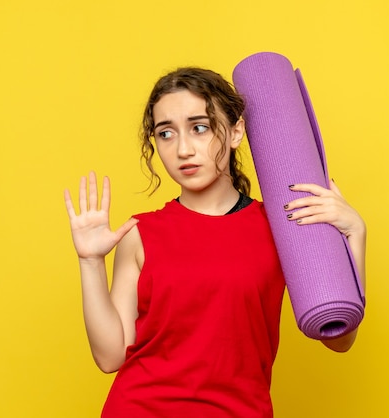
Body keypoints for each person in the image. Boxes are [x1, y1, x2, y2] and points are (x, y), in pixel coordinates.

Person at [64, 67, 366, 417]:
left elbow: (339, 337)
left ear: (237, 131)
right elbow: (110, 356)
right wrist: (89, 262)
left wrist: (355, 235)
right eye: (166, 133)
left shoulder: (283, 225)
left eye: (200, 127)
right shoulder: (139, 233)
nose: (183, 149)